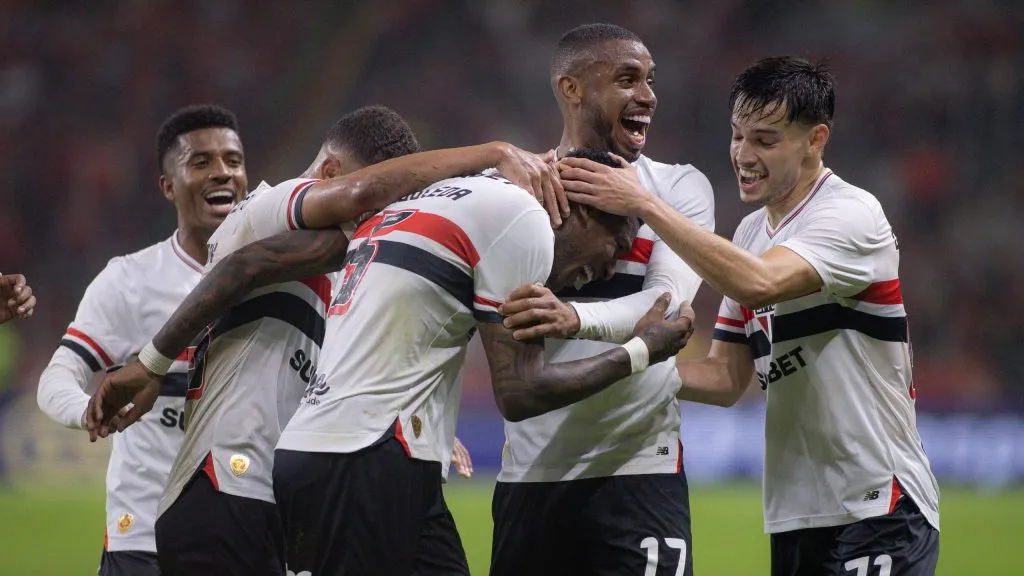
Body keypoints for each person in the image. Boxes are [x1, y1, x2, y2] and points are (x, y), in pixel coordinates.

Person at [86, 105, 568, 575]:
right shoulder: (268, 207)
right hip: (223, 487)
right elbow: (356, 195)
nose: (385, 212)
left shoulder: (345, 261)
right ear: (331, 170)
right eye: (385, 197)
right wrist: (492, 154)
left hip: (274, 494)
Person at [560, 56, 941, 575]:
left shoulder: (851, 213)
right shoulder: (749, 235)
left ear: (816, 139)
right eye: (737, 136)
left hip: (881, 502)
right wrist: (614, 366)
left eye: (765, 140)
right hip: (795, 514)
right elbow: (724, 378)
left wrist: (646, 204)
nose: (743, 154)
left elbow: (756, 282)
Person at [271, 148, 695, 575]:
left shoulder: (444, 197)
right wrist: (640, 351)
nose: (608, 270)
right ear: (582, 211)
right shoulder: (523, 220)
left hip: (370, 451)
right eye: (617, 244)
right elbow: (520, 392)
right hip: (360, 459)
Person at [493, 23, 714, 576]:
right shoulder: (511, 195)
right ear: (571, 89)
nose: (647, 96)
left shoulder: (679, 188)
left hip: (640, 471)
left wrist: (571, 317)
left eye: (650, 81)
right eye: (627, 79)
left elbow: (666, 307)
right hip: (530, 476)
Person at [36, 104, 248, 576]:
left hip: (249, 531)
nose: (222, 173)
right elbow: (57, 377)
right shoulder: (129, 281)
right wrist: (91, 409)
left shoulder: (284, 278)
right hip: (147, 537)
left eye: (233, 161)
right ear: (167, 186)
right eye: (201, 162)